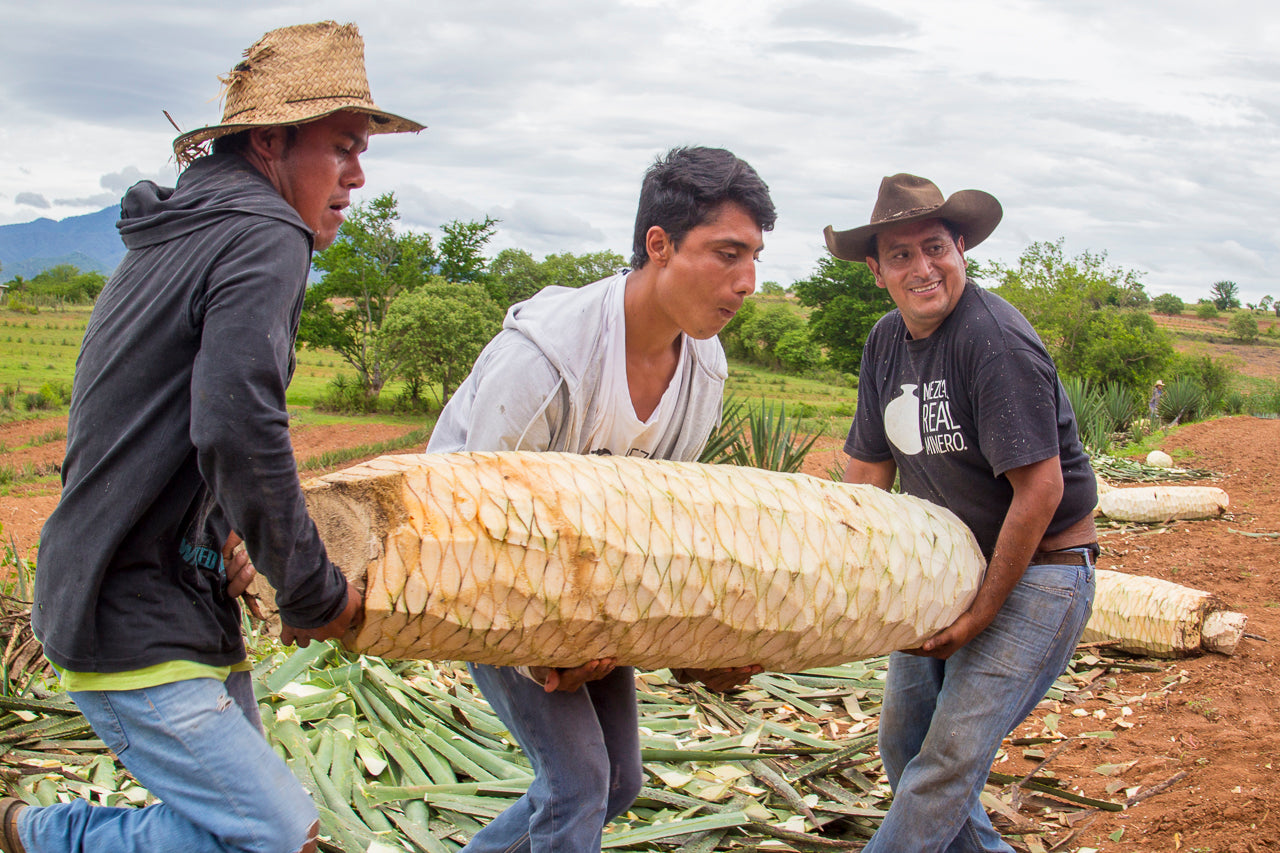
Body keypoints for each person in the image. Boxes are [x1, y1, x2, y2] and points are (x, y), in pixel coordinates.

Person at [4, 22, 423, 853]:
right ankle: (44, 833)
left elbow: (163, 415)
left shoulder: (194, 225)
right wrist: (311, 590)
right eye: (342, 146)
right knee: (275, 842)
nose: (359, 174)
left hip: (163, 592)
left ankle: (30, 830)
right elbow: (237, 422)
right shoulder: (268, 233)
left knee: (230, 833)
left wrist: (227, 530)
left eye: (363, 148)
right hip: (129, 608)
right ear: (270, 140)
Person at [426, 146, 776, 853]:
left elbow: (653, 518)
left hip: (591, 582)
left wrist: (649, 635)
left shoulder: (703, 367)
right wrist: (543, 651)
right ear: (659, 244)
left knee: (618, 783)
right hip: (479, 572)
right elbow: (476, 520)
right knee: (579, 781)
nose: (748, 282)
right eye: (727, 254)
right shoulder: (547, 359)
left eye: (755, 258)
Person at [825, 173, 1098, 852]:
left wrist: (978, 613)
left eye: (935, 247)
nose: (923, 268)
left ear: (962, 247)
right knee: (907, 749)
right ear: (876, 270)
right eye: (901, 255)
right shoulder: (886, 343)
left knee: (944, 765)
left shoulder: (993, 340)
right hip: (944, 569)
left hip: (1041, 569)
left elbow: (1041, 493)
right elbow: (865, 477)